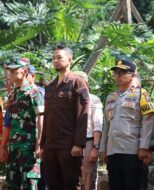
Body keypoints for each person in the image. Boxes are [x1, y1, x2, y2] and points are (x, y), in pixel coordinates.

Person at [99, 59, 154, 190]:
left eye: (123, 72)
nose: (118, 75)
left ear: (133, 75)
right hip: (113, 151)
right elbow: (106, 125)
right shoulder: (111, 97)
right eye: (116, 72)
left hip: (132, 150)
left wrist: (144, 147)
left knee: (134, 186)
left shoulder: (141, 93)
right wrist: (102, 148)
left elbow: (148, 121)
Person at [40, 45, 89, 190]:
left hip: (68, 146)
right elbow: (47, 118)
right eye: (53, 58)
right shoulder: (50, 86)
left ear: (69, 59)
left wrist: (78, 144)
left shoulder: (77, 82)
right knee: (53, 185)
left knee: (71, 184)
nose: (55, 60)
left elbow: (83, 114)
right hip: (50, 146)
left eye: (59, 57)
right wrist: (43, 145)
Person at [0, 57, 44, 189]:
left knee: (30, 184)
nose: (11, 74)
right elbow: (9, 122)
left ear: (25, 71)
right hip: (13, 148)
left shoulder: (34, 93)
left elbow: (40, 118)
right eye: (10, 71)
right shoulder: (13, 94)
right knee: (12, 184)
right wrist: (3, 146)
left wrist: (39, 144)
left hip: (29, 147)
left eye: (15, 70)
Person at [73, 71, 103, 190]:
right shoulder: (70, 100)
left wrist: (95, 148)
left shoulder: (93, 99)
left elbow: (98, 125)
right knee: (74, 180)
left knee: (88, 178)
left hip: (88, 142)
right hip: (71, 144)